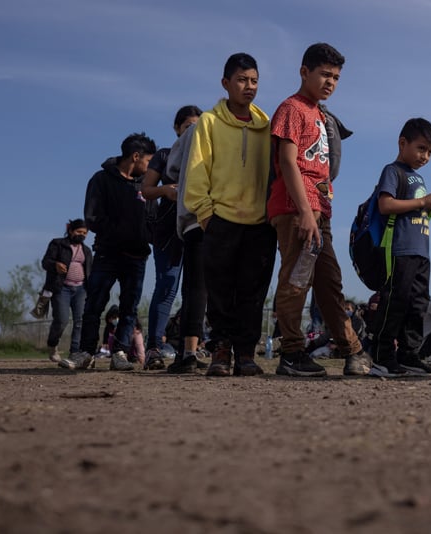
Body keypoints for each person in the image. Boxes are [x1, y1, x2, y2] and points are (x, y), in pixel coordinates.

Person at [268, 42, 371, 377]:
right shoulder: (291, 108)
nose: (330, 82)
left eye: (336, 77)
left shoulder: (320, 115)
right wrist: (304, 211)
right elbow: (287, 161)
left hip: (319, 211)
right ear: (304, 72)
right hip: (297, 209)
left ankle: (353, 351)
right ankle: (292, 354)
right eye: (325, 74)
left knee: (329, 282)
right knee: (297, 281)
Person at [183, 53, 277, 377]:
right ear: (226, 83)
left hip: (260, 224)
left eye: (253, 81)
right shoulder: (208, 122)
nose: (248, 87)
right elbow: (196, 173)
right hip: (220, 220)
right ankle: (220, 352)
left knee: (253, 293)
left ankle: (247, 354)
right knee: (220, 292)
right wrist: (207, 215)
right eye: (241, 80)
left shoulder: (267, 127)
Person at [59, 133, 157, 371]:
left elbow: (152, 219)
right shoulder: (101, 180)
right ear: (136, 156)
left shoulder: (147, 185)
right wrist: (122, 234)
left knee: (129, 307)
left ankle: (120, 353)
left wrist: (146, 237)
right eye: (149, 162)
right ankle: (85, 353)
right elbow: (93, 218)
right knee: (94, 303)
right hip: (107, 254)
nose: (150, 168)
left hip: (137, 257)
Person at [368, 118, 431, 377]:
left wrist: (430, 206)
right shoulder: (393, 171)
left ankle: (409, 355)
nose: (426, 156)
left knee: (418, 304)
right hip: (398, 250)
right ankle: (382, 356)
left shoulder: (418, 177)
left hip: (421, 251)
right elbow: (386, 205)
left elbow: (417, 209)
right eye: (421, 148)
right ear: (403, 143)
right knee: (395, 302)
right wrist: (422, 201)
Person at [140, 105, 203, 370]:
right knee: (167, 285)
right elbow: (146, 190)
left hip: (196, 227)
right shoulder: (165, 155)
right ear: (177, 128)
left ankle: (189, 352)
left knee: (196, 289)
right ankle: (153, 348)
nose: (193, 130)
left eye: (198, 126)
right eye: (188, 126)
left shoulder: (205, 156)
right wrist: (165, 190)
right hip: (168, 230)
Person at [41, 219, 92, 363]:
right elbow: (45, 262)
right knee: (61, 320)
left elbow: (90, 270)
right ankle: (52, 345)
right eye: (78, 232)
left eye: (84, 233)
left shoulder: (87, 251)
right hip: (61, 288)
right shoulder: (58, 244)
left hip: (81, 289)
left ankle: (74, 352)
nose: (81, 235)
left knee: (80, 321)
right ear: (70, 231)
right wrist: (55, 265)